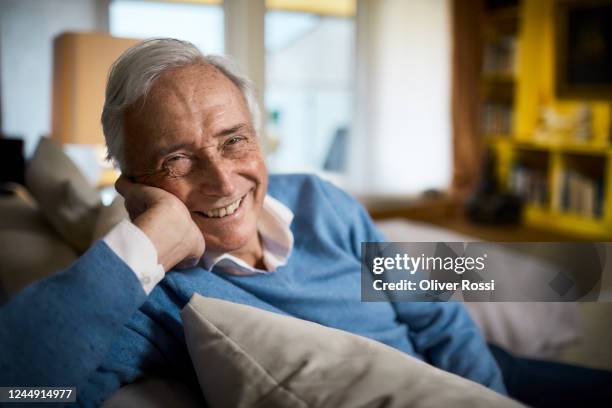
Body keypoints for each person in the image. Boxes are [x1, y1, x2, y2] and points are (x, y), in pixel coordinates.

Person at [0, 38, 506, 406]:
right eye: (177, 159)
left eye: (233, 140)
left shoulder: (318, 199)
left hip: (471, 373)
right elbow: (20, 391)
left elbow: (435, 313)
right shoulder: (151, 300)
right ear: (132, 182)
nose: (222, 182)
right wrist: (145, 244)